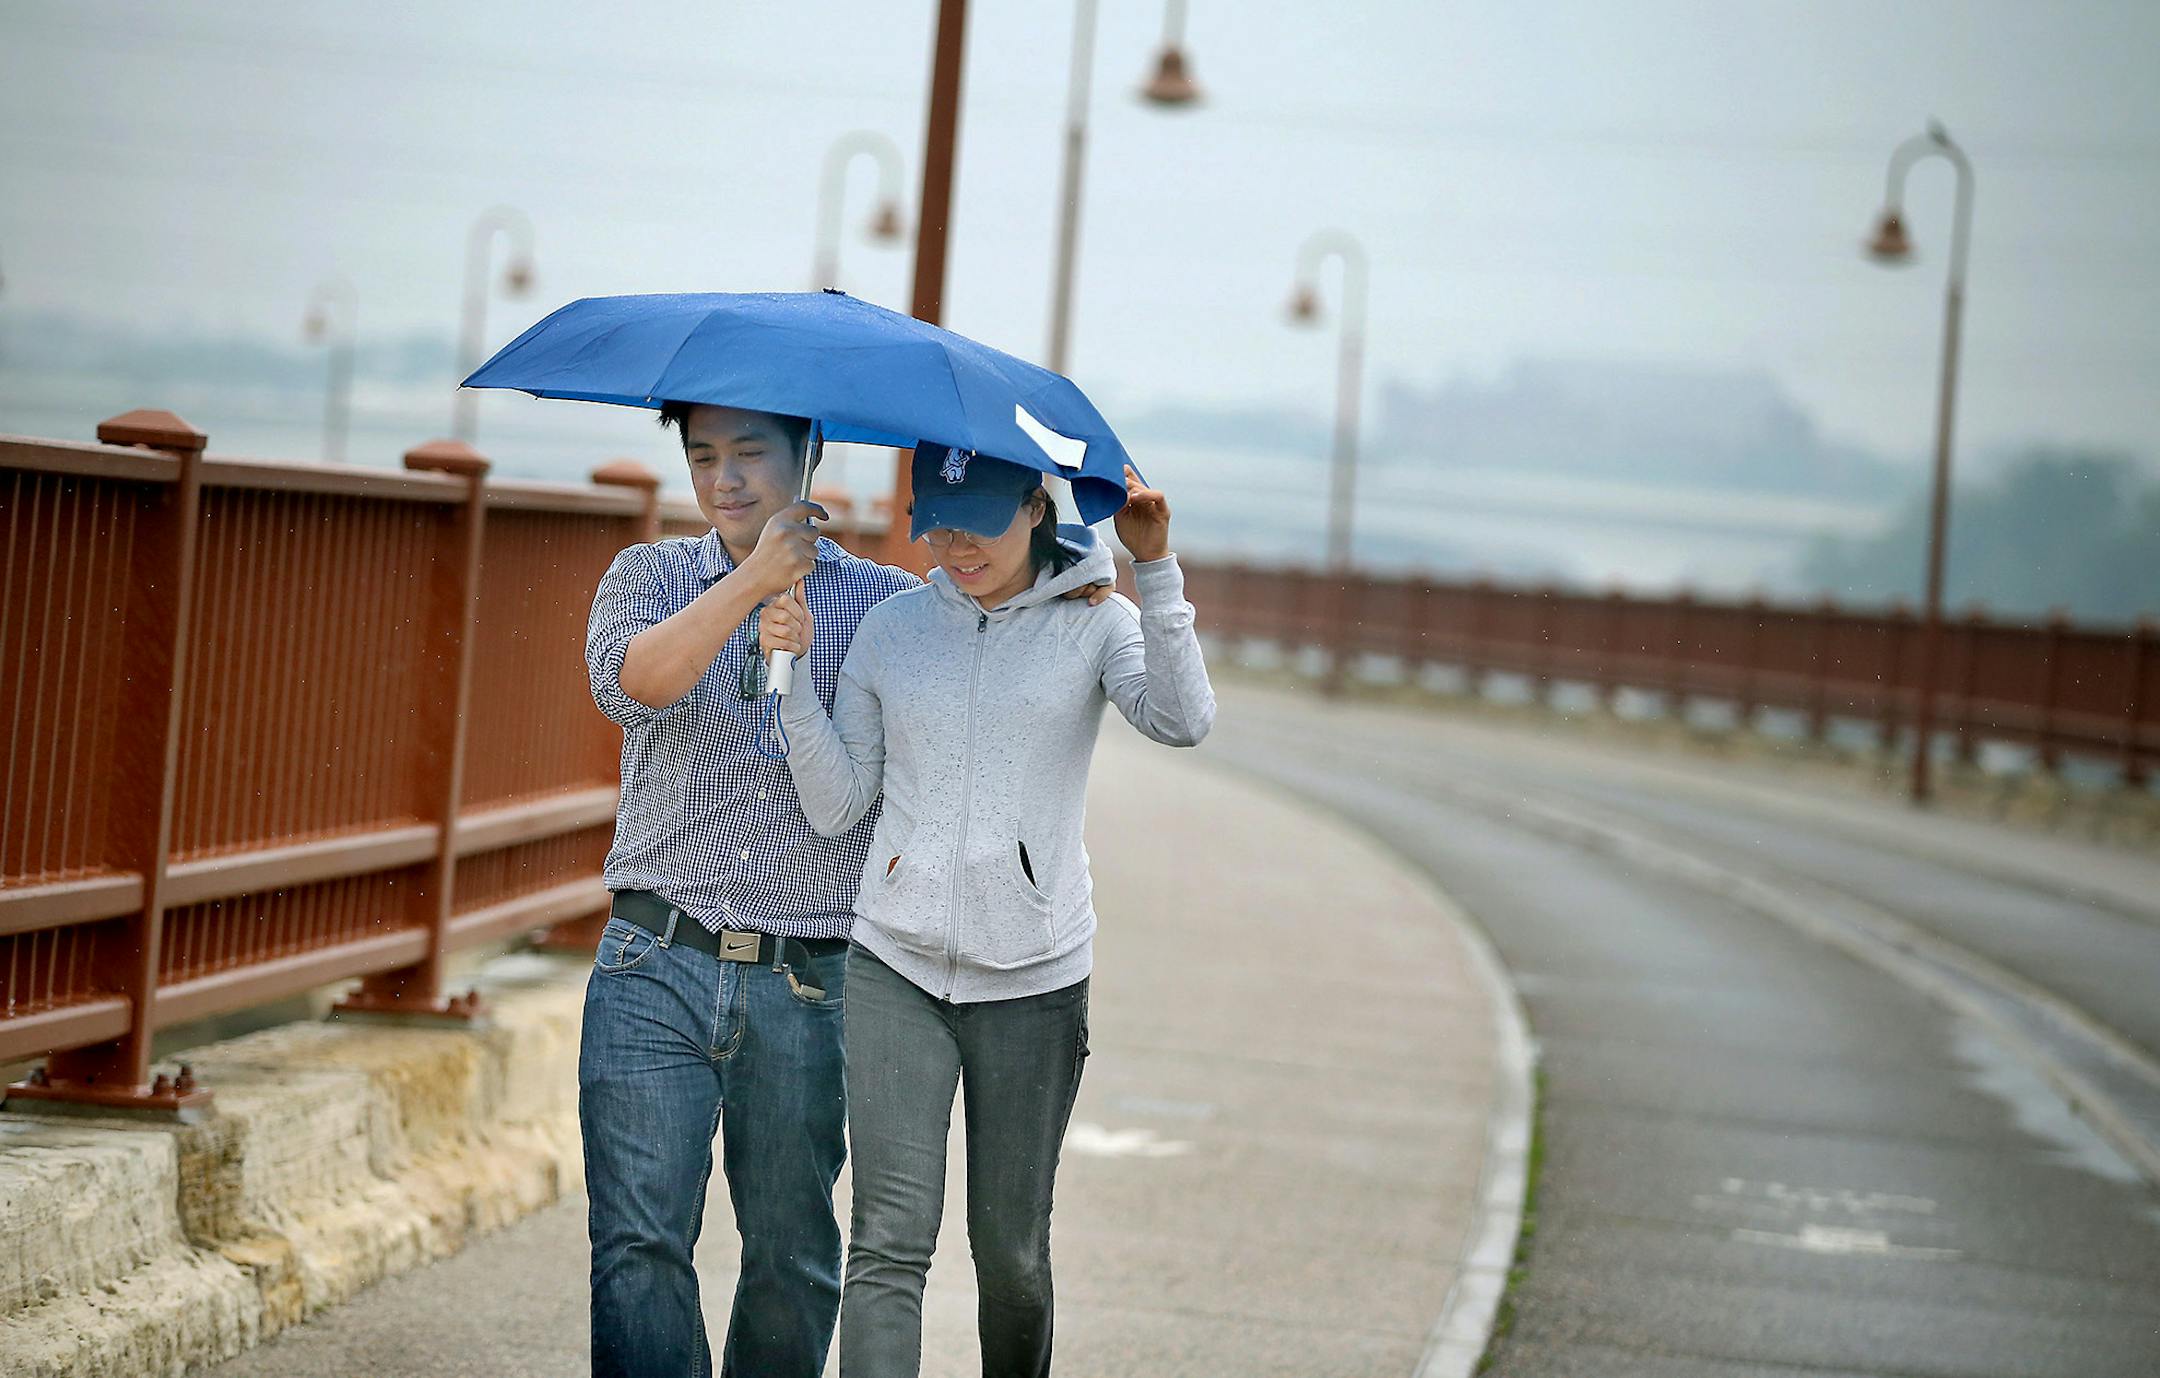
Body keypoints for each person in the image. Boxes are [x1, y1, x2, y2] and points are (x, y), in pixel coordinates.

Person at [758, 445, 1216, 1377]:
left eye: (984, 520)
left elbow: (1182, 719)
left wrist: (1154, 569)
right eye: (939, 521)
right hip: (896, 965)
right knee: (887, 1243)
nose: (958, 544)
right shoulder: (893, 630)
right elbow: (839, 804)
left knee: (1011, 1259)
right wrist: (792, 678)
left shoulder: (1098, 624)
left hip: (1035, 980)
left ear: (1038, 509)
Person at [578, 401, 916, 1378]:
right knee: (638, 1247)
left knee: (792, 1260)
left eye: (750, 453)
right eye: (703, 457)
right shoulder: (647, 577)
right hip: (653, 959)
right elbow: (632, 685)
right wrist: (754, 581)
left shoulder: (887, 608)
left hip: (806, 982)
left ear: (810, 454)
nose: (724, 478)